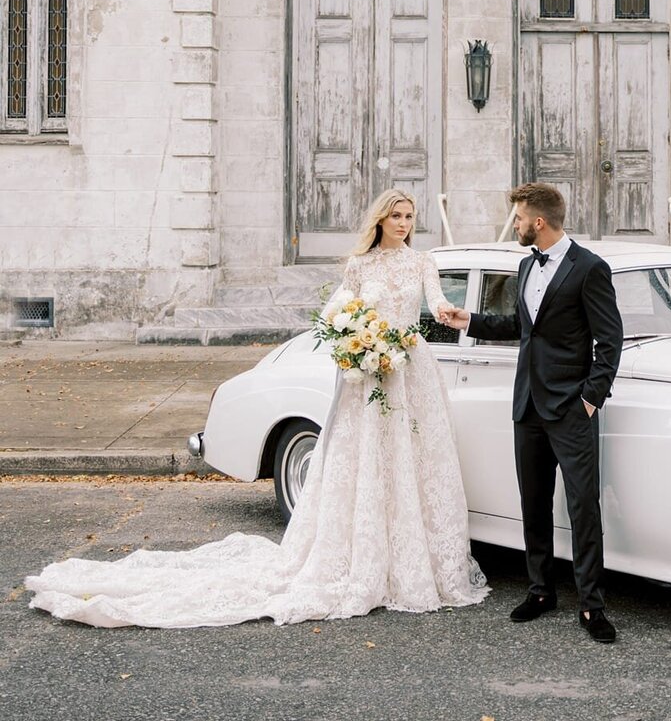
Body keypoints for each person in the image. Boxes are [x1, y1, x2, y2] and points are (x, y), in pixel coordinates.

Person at [26, 191, 487, 627]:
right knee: (362, 460)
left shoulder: (423, 263)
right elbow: (333, 317)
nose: (404, 225)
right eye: (397, 216)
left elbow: (438, 300)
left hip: (409, 367)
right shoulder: (358, 266)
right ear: (381, 220)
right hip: (366, 371)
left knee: (411, 462)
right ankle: (362, 558)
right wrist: (354, 341)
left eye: (410, 217)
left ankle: (407, 561)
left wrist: (450, 312)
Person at [441, 181, 623, 643]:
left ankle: (591, 605)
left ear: (538, 222)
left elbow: (610, 339)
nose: (516, 225)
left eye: (519, 219)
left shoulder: (590, 269)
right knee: (534, 504)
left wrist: (590, 398)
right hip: (528, 405)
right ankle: (541, 590)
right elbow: (523, 326)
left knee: (583, 507)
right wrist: (469, 321)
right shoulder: (525, 266)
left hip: (572, 409)